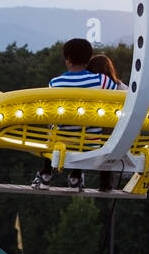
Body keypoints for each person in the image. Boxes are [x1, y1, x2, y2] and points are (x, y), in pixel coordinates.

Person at [32, 37, 117, 190]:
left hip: (61, 141)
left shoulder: (55, 83)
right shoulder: (102, 81)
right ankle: (75, 177)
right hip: (91, 142)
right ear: (88, 59)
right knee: (83, 130)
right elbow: (119, 94)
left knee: (53, 124)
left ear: (68, 60)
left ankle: (45, 175)